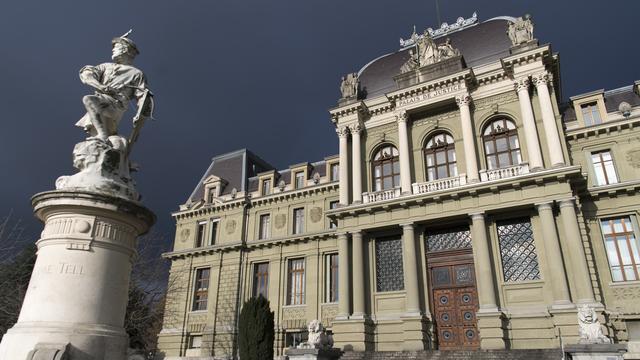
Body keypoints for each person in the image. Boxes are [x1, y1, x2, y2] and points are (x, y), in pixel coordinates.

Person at [76, 31, 151, 141]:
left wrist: (140, 115)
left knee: (89, 100)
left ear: (125, 49)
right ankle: (104, 136)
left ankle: (102, 135)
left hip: (117, 104)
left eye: (116, 47)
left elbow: (142, 96)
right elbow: (87, 72)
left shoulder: (136, 73)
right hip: (102, 99)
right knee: (90, 101)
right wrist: (99, 86)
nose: (113, 49)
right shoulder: (106, 66)